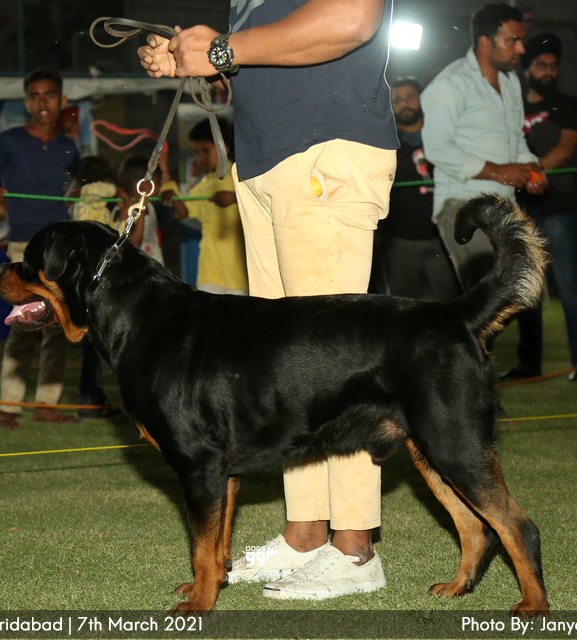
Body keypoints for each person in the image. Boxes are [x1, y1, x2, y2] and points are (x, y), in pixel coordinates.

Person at [139, 0, 397, 600]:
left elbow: (352, 19)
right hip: (265, 159)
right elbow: (266, 52)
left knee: (334, 357)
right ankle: (305, 533)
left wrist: (223, 50)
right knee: (288, 364)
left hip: (324, 147)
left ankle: (354, 548)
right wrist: (194, 59)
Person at [0, 68, 79, 430]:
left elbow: (75, 194)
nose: (42, 102)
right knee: (22, 325)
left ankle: (46, 404)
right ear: (26, 103)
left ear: (62, 101)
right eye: (34, 96)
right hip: (22, 246)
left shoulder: (69, 147)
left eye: (49, 94)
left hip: (59, 247)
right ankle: (8, 409)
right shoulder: (8, 141)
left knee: (58, 327)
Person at [420, 3, 546, 292]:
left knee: (514, 296)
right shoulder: (450, 84)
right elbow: (437, 148)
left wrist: (531, 168)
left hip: (504, 205)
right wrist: (500, 172)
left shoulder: (511, 82)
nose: (521, 49)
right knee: (486, 298)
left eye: (521, 40)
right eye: (512, 40)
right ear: (486, 42)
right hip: (462, 204)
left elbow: (515, 138)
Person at [503, 33, 577, 382]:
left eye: (553, 66)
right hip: (523, 207)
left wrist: (531, 172)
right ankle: (529, 363)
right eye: (541, 65)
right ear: (528, 69)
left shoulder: (567, 104)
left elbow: (567, 147)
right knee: (527, 286)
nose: (548, 71)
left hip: (559, 206)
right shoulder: (512, 106)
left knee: (569, 285)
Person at [379, 77, 458, 300]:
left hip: (442, 236)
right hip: (400, 241)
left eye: (410, 97)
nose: (404, 104)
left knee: (451, 304)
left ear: (422, 99)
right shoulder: (386, 144)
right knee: (402, 307)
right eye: (397, 100)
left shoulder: (444, 136)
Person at [160, 118, 248, 295]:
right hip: (209, 272)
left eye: (206, 151)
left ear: (224, 148)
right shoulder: (203, 185)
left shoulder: (240, 176)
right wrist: (165, 172)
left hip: (240, 273)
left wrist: (235, 198)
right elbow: (183, 213)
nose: (200, 158)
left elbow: (263, 201)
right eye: (196, 152)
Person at [70, 155, 121, 419]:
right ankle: (89, 399)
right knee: (92, 346)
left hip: (89, 281)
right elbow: (103, 189)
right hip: (91, 284)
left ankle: (94, 397)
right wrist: (123, 191)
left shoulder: (90, 205)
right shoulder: (90, 197)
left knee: (94, 346)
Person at [111, 155, 165, 265]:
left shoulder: (151, 207)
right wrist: (142, 212)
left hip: (154, 269)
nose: (160, 188)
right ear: (143, 185)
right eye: (157, 183)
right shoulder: (121, 211)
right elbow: (133, 246)